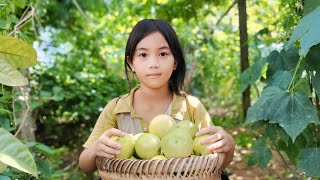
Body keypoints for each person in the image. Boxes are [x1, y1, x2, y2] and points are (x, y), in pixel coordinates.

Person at [79, 19, 235, 173]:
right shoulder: (116, 109)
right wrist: (97, 149)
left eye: (163, 53)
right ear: (131, 63)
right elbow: (85, 166)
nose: (153, 63)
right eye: (143, 55)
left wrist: (228, 145)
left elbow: (216, 164)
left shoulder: (191, 107)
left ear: (175, 62)